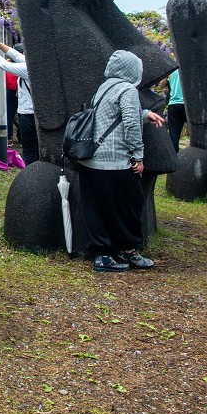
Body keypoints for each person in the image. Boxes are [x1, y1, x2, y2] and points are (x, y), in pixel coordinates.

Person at [76, 49, 166, 273]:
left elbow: (112, 115)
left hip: (91, 161)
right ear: (131, 70)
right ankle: (128, 251)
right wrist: (138, 155)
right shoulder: (127, 89)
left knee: (98, 209)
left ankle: (103, 256)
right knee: (128, 206)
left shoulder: (104, 88)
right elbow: (130, 125)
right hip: (115, 162)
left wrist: (146, 114)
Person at [0, 35, 38, 166]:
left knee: (30, 150)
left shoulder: (28, 69)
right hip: (37, 112)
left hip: (28, 114)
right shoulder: (38, 65)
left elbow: (4, 65)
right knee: (36, 148)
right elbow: (15, 55)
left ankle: (32, 177)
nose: (23, 53)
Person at [163, 67, 186, 153]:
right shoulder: (190, 67)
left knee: (173, 135)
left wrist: (167, 76)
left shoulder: (171, 69)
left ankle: (174, 160)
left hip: (173, 105)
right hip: (188, 105)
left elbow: (161, 85)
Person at [5, 68, 19, 145]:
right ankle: (22, 139)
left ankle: (9, 138)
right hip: (19, 91)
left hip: (9, 91)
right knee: (22, 115)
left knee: (9, 116)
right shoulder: (21, 64)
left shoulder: (8, 67)